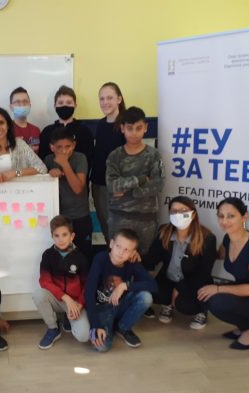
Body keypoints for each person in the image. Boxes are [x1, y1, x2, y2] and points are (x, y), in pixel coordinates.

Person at [142, 196, 217, 328]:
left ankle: (201, 311)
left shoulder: (207, 238)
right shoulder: (164, 231)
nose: (178, 214)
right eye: (174, 211)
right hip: (169, 278)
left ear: (193, 214)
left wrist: (179, 288)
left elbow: (203, 273)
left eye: (183, 210)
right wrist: (134, 257)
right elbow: (151, 259)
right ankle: (168, 304)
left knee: (184, 305)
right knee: (152, 293)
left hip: (194, 282)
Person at [85, 229, 157, 351]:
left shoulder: (131, 262)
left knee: (146, 297)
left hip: (120, 304)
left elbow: (153, 285)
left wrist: (124, 286)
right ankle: (110, 324)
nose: (121, 252)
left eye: (126, 250)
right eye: (118, 246)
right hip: (102, 308)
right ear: (111, 244)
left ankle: (122, 327)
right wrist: (95, 325)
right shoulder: (101, 259)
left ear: (133, 253)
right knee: (102, 346)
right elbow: (89, 292)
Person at [106, 106, 165, 255]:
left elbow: (158, 185)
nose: (134, 133)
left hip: (146, 220)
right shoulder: (115, 156)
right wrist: (141, 179)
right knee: (118, 260)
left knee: (143, 261)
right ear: (122, 128)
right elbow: (112, 186)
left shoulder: (153, 155)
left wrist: (126, 192)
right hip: (118, 218)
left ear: (145, 127)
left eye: (138, 128)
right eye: (129, 128)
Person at [198, 198, 249, 350]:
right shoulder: (228, 238)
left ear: (244, 217)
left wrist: (218, 288)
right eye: (221, 216)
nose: (224, 221)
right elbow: (218, 255)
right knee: (205, 296)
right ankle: (245, 326)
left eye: (231, 216)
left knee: (217, 300)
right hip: (245, 291)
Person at [32, 215, 90, 349]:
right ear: (52, 236)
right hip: (58, 298)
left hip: (75, 302)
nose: (61, 239)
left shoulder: (81, 257)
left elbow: (87, 285)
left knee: (84, 336)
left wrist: (80, 304)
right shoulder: (48, 255)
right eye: (56, 235)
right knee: (38, 294)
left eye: (64, 235)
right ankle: (53, 328)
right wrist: (65, 298)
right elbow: (44, 281)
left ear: (72, 236)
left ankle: (68, 318)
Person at [45, 127, 92, 261]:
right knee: (62, 258)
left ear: (74, 145)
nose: (64, 151)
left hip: (80, 216)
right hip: (59, 217)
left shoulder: (80, 158)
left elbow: (78, 188)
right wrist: (49, 173)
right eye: (59, 147)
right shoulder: (48, 160)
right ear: (52, 147)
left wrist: (65, 164)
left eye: (68, 146)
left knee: (83, 257)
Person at [92, 82, 126, 243]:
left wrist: (123, 186)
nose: (105, 102)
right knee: (106, 228)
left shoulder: (126, 125)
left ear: (119, 99)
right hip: (99, 185)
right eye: (102, 99)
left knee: (121, 229)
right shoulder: (100, 124)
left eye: (109, 98)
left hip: (119, 187)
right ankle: (111, 254)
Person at [39, 85, 94, 174]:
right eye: (60, 103)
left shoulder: (85, 131)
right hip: (52, 179)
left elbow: (89, 159)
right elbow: (42, 160)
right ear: (55, 106)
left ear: (75, 105)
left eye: (69, 103)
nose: (64, 105)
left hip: (78, 179)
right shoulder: (47, 132)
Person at [9, 86, 41, 154]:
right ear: (11, 107)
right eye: (17, 102)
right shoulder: (6, 129)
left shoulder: (36, 130)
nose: (22, 105)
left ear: (30, 105)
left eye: (25, 101)